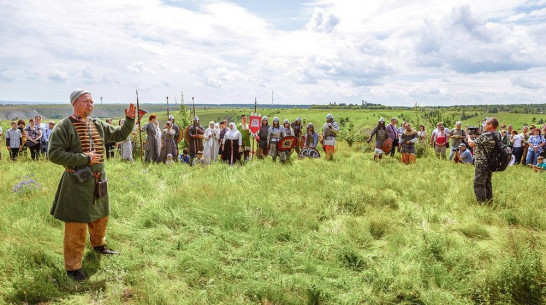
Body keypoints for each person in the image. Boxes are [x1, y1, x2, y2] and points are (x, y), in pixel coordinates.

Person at [48, 89, 136, 281]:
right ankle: (73, 267)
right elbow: (53, 154)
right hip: (76, 183)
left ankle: (99, 246)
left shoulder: (97, 124)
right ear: (75, 103)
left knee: (101, 217)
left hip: (98, 180)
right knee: (76, 225)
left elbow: (119, 134)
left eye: (92, 101)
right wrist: (84, 158)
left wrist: (129, 120)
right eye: (86, 101)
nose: (90, 105)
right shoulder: (64, 126)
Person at [465, 117, 500, 204]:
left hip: (482, 162)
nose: (484, 125)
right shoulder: (497, 134)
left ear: (490, 125)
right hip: (491, 162)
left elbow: (471, 144)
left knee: (479, 183)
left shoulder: (486, 135)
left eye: (486, 123)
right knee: (487, 183)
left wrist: (468, 135)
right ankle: (489, 202)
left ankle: (481, 203)